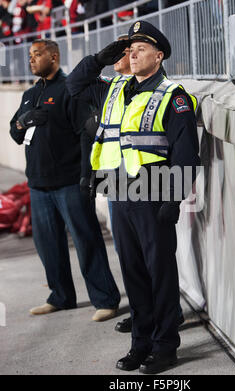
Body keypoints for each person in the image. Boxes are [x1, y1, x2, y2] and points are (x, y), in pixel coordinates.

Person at [66, 21, 201, 374]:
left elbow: (186, 153)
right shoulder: (115, 88)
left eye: (140, 48)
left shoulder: (174, 95)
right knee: (133, 273)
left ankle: (165, 346)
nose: (132, 54)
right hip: (118, 191)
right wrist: (98, 58)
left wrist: (172, 199)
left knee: (160, 272)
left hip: (154, 191)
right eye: (130, 49)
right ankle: (140, 344)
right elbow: (74, 85)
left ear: (159, 56)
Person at [9, 39, 120, 322]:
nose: (31, 60)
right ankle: (61, 296)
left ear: (54, 56)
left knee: (86, 241)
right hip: (38, 184)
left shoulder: (70, 90)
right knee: (48, 245)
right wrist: (23, 121)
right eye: (29, 55)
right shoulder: (30, 94)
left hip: (69, 181)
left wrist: (87, 175)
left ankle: (105, 299)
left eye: (37, 54)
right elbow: (15, 131)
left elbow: (85, 134)